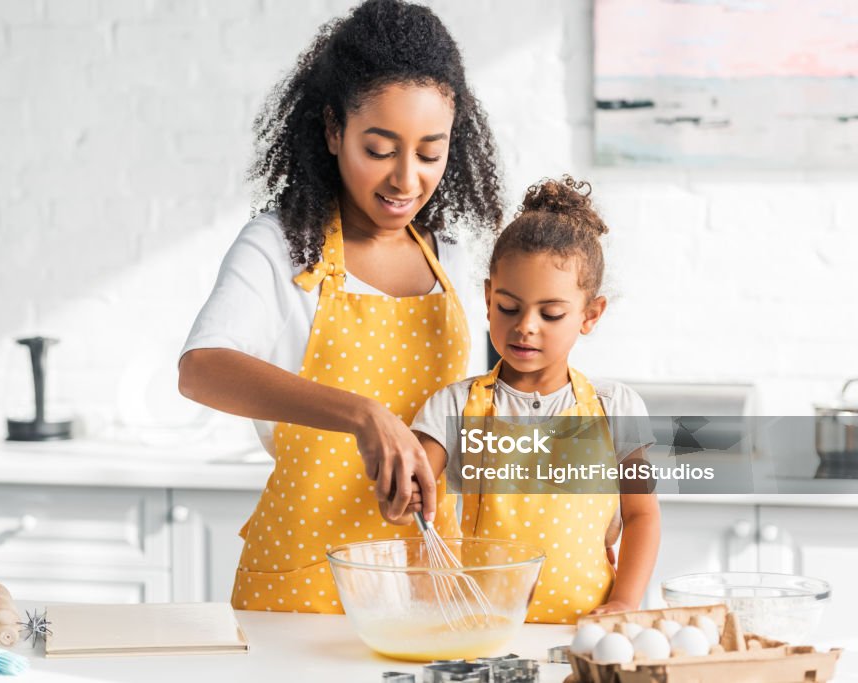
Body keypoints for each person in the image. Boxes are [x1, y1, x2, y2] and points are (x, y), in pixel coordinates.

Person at [178, 0, 504, 613]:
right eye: (379, 149)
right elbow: (201, 369)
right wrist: (363, 415)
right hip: (304, 584)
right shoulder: (279, 247)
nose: (406, 179)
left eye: (430, 153)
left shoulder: (453, 262)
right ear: (333, 130)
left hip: (427, 577)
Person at [403, 176, 661, 624]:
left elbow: (641, 517)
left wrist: (624, 602)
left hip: (587, 631)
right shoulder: (454, 406)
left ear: (590, 314)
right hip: (483, 629)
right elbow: (415, 483)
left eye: (551, 313)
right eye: (508, 307)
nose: (526, 326)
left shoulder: (614, 407)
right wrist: (406, 489)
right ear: (487, 299)